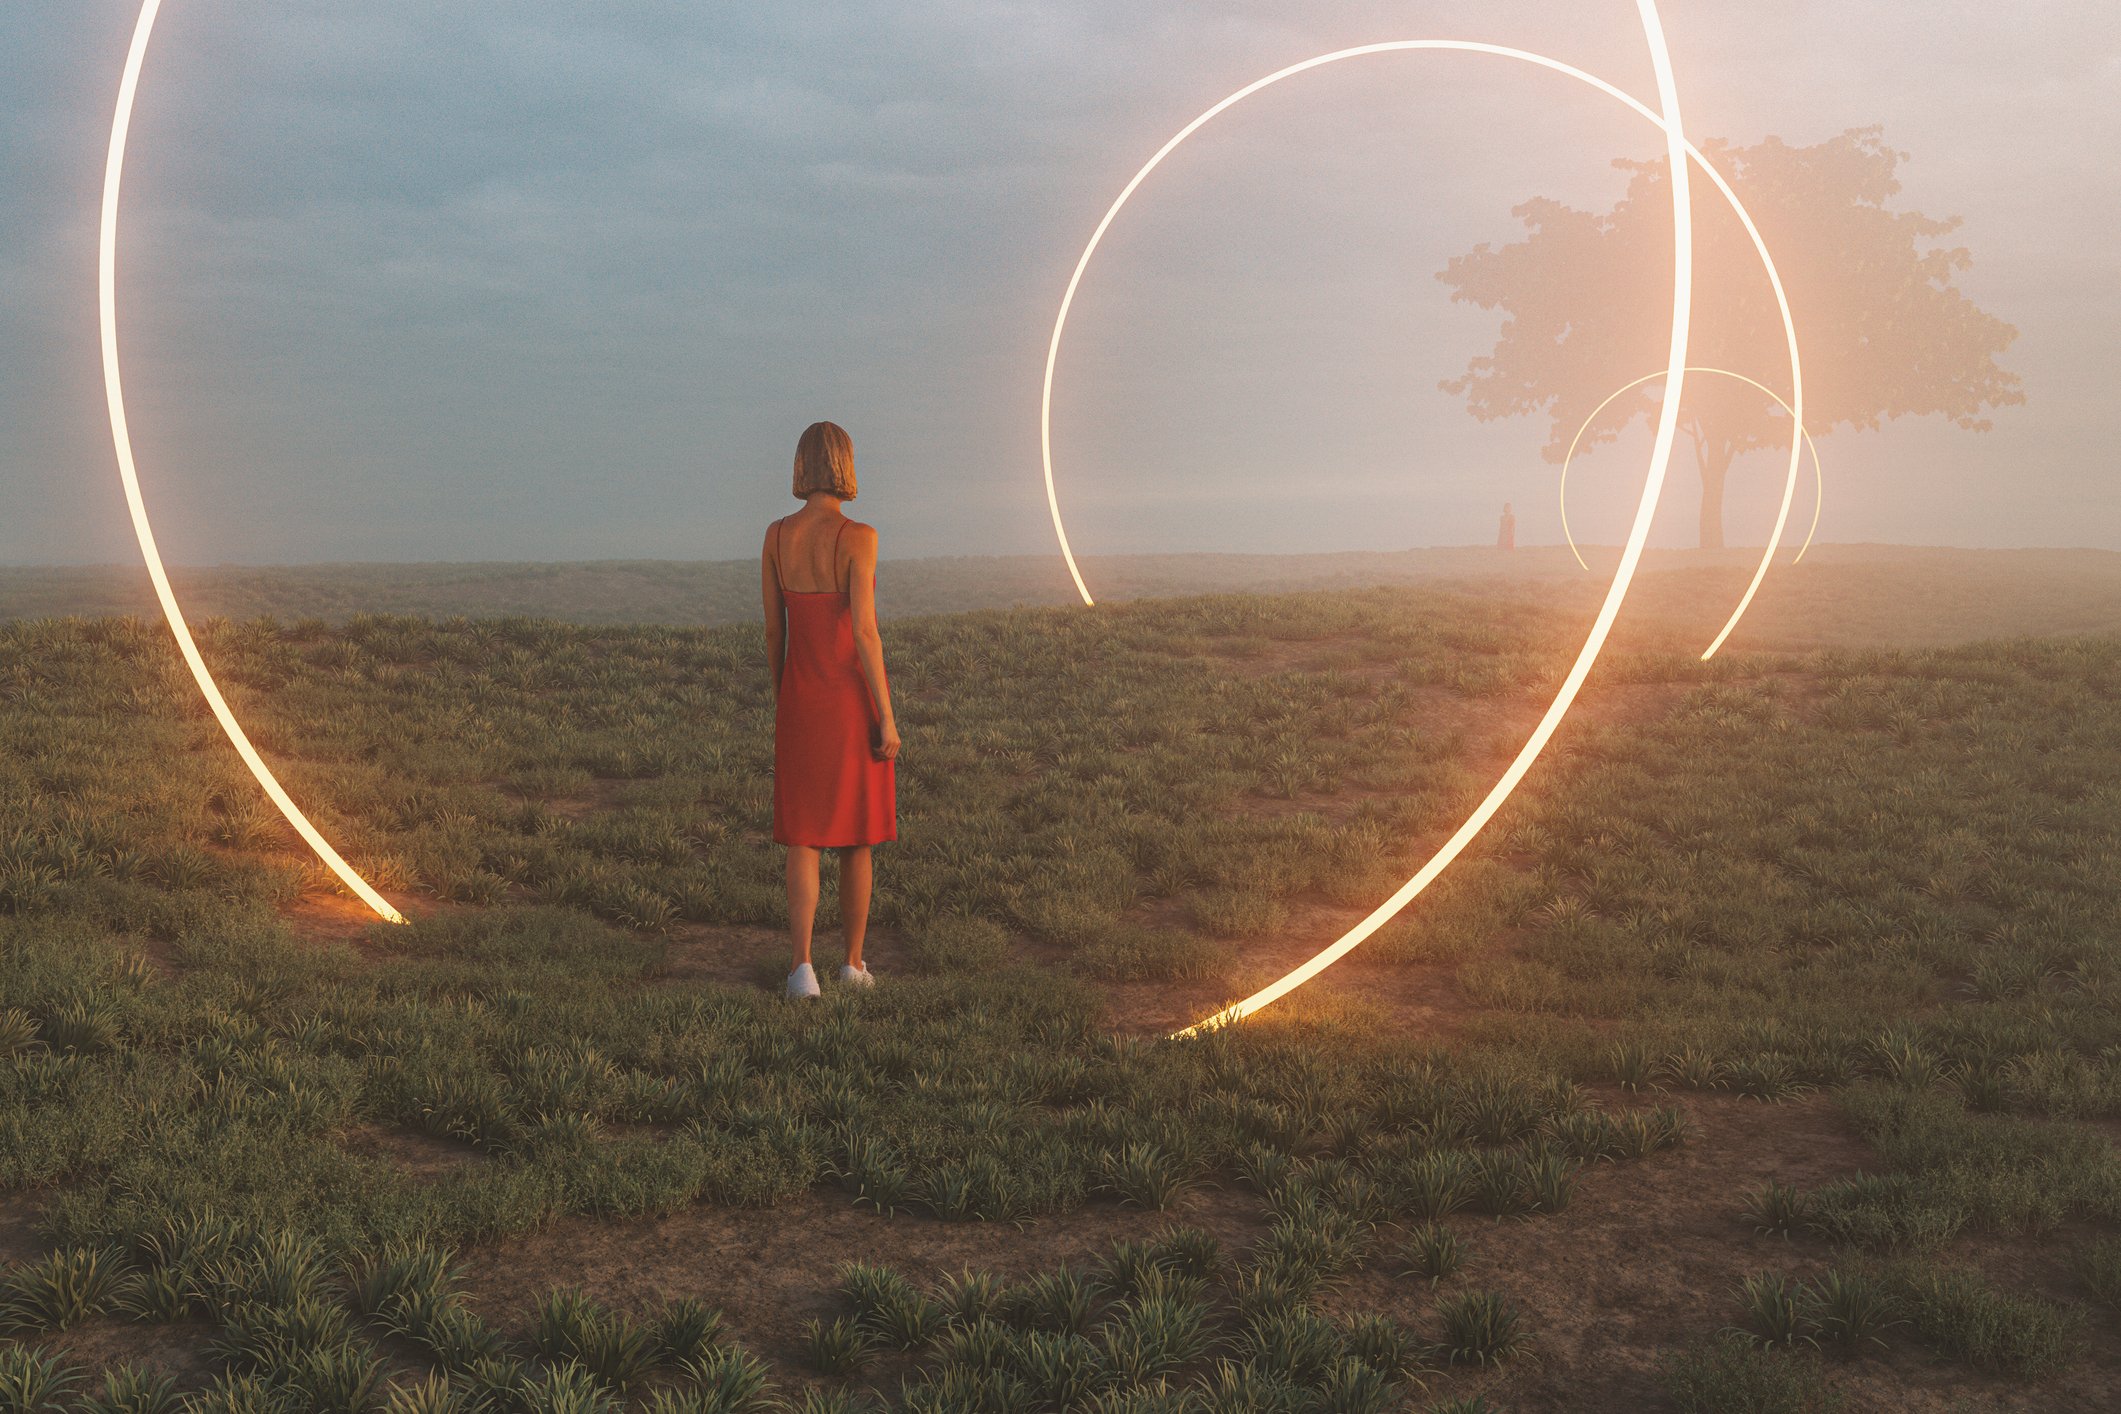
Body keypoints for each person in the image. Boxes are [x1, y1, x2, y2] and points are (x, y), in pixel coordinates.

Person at [761, 421, 899, 999]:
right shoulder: (859, 536)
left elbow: (774, 631)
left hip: (800, 700)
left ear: (800, 466)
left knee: (803, 837)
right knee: (857, 836)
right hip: (849, 702)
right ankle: (853, 962)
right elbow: (865, 632)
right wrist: (887, 716)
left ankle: (801, 969)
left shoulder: (776, 536)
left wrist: (783, 695)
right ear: (845, 464)